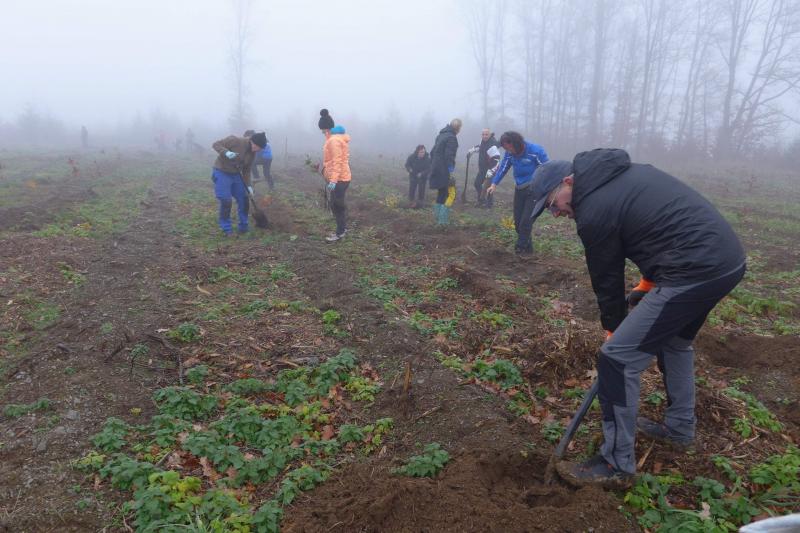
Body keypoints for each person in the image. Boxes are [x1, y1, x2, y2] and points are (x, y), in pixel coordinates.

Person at [525, 149, 745, 488]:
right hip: (723, 261)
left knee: (617, 359)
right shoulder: (618, 178)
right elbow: (655, 229)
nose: (556, 214)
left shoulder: (594, 209)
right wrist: (647, 284)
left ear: (568, 181)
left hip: (694, 270)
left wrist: (613, 328)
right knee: (674, 343)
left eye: (553, 204)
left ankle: (616, 464)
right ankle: (679, 428)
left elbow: (607, 279)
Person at [485, 131, 548, 254]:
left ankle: (520, 249)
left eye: (509, 148)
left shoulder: (535, 151)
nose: (509, 151)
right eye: (506, 149)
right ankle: (528, 250)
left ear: (517, 143)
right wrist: (494, 184)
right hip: (519, 189)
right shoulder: (509, 154)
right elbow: (503, 168)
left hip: (534, 190)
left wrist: (547, 189)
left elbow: (547, 169)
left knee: (526, 222)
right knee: (518, 224)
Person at [211, 131, 267, 236]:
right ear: (253, 142)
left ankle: (243, 227)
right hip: (222, 171)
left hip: (236, 174)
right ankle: (226, 229)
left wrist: (248, 186)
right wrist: (226, 152)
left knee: (244, 199)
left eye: (260, 149)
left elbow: (247, 170)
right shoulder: (235, 140)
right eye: (258, 147)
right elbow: (216, 144)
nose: (258, 150)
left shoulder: (253, 153)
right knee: (226, 200)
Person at [319, 109, 351, 242]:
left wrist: (333, 180)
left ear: (327, 129)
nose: (322, 133)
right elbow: (331, 161)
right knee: (338, 204)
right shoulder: (334, 139)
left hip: (339, 179)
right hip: (340, 177)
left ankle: (340, 233)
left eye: (322, 131)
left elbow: (337, 162)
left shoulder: (334, 141)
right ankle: (342, 228)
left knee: (336, 205)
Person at [429, 119, 462, 225]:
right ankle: (442, 221)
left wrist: (433, 164)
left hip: (435, 167)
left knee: (441, 192)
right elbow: (449, 155)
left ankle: (437, 217)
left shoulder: (441, 135)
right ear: (458, 128)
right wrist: (450, 169)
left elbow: (432, 152)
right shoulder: (451, 138)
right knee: (446, 194)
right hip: (443, 169)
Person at [466, 129, 501, 207]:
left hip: (490, 169)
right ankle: (482, 200)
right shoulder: (483, 141)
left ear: (489, 135)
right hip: (482, 169)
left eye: (486, 134)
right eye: (483, 134)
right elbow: (481, 147)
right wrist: (472, 150)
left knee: (488, 187)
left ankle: (489, 204)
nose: (484, 136)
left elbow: (496, 159)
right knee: (477, 183)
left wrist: (491, 171)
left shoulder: (492, 145)